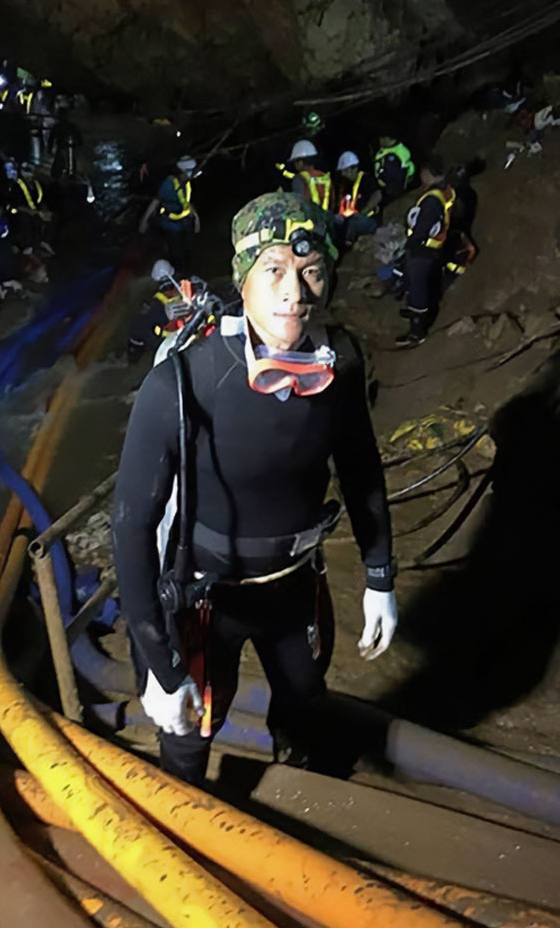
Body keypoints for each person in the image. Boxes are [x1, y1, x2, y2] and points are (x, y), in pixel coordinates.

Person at [113, 191, 397, 786]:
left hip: (294, 591)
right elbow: (133, 527)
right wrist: (160, 665)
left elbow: (361, 468)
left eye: (311, 271)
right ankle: (185, 829)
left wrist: (379, 577)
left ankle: (292, 801)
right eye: (273, 271)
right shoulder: (182, 383)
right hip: (208, 598)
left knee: (303, 704)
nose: (295, 293)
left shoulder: (341, 365)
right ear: (242, 281)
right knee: (190, 727)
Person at [396, 154, 455, 346]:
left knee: (417, 289)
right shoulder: (446, 190)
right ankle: (415, 313)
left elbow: (423, 227)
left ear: (428, 174)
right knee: (421, 284)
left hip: (423, 250)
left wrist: (409, 246)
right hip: (434, 247)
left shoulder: (432, 199)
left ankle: (416, 331)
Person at [127, 259, 210, 363]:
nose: (170, 291)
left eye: (170, 286)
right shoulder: (155, 308)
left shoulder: (188, 291)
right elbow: (142, 333)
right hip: (164, 345)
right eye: (166, 287)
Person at [138, 156, 200, 273]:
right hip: (171, 224)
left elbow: (187, 202)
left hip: (185, 223)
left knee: (187, 251)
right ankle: (177, 275)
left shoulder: (186, 183)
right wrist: (144, 221)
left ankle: (187, 271)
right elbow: (155, 202)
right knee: (176, 253)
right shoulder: (169, 184)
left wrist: (196, 218)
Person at [333, 151, 381, 249]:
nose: (343, 174)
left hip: (368, 220)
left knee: (354, 223)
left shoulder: (366, 180)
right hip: (350, 219)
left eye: (346, 171)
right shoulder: (346, 185)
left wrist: (363, 212)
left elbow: (377, 195)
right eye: (342, 171)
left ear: (354, 168)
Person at [276, 140, 333, 212]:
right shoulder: (326, 177)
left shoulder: (299, 179)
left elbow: (299, 204)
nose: (295, 165)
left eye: (295, 162)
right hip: (326, 219)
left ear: (300, 162)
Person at [373, 136, 415, 202]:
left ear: (386, 138)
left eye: (381, 138)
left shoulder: (398, 153)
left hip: (392, 192)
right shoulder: (384, 149)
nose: (379, 140)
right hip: (384, 190)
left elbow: (397, 178)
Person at [49, 107, 83, 180]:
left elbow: (79, 140)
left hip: (68, 150)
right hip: (63, 149)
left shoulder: (70, 127)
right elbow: (51, 139)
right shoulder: (70, 127)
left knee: (68, 169)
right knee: (59, 170)